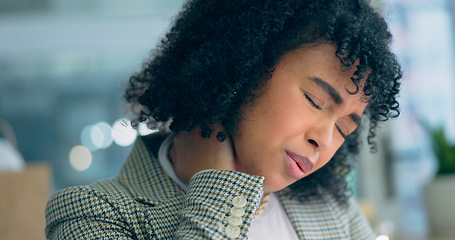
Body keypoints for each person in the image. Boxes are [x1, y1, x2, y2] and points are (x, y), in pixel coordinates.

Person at [45, 0, 402, 239]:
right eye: (315, 99)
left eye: (343, 128)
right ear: (241, 70)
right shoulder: (91, 214)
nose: (325, 141)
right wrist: (219, 187)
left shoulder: (333, 209)